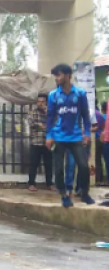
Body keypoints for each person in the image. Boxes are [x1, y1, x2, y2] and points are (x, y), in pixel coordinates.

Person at [46, 63, 94, 207]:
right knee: (59, 169)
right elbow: (50, 117)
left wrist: (87, 133)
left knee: (83, 166)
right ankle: (64, 195)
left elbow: (85, 116)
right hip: (59, 136)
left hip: (75, 136)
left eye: (59, 75)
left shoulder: (80, 93)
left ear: (68, 75)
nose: (57, 78)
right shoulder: (53, 95)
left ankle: (84, 193)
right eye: (55, 76)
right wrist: (49, 136)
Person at [28, 93, 53, 191]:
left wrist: (46, 111)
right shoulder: (32, 112)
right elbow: (31, 122)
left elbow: (53, 122)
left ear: (46, 102)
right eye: (38, 101)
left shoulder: (50, 112)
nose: (40, 104)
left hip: (47, 142)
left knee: (48, 164)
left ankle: (49, 184)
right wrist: (41, 125)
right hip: (36, 141)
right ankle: (31, 184)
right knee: (33, 164)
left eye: (42, 102)